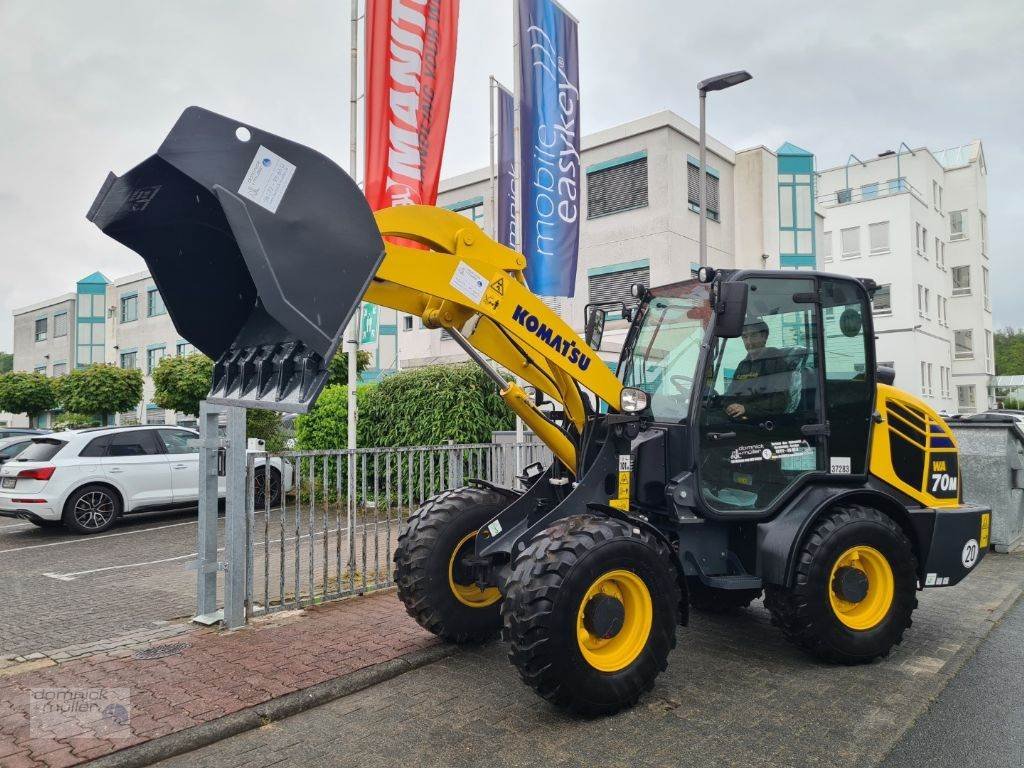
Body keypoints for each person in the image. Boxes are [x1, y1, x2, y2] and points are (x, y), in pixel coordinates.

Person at [723, 320, 793, 420]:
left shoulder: (775, 361)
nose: (749, 342)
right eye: (745, 337)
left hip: (763, 423)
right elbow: (730, 395)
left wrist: (746, 408)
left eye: (753, 336)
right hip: (740, 418)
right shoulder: (743, 365)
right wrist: (730, 405)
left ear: (764, 336)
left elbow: (780, 401)